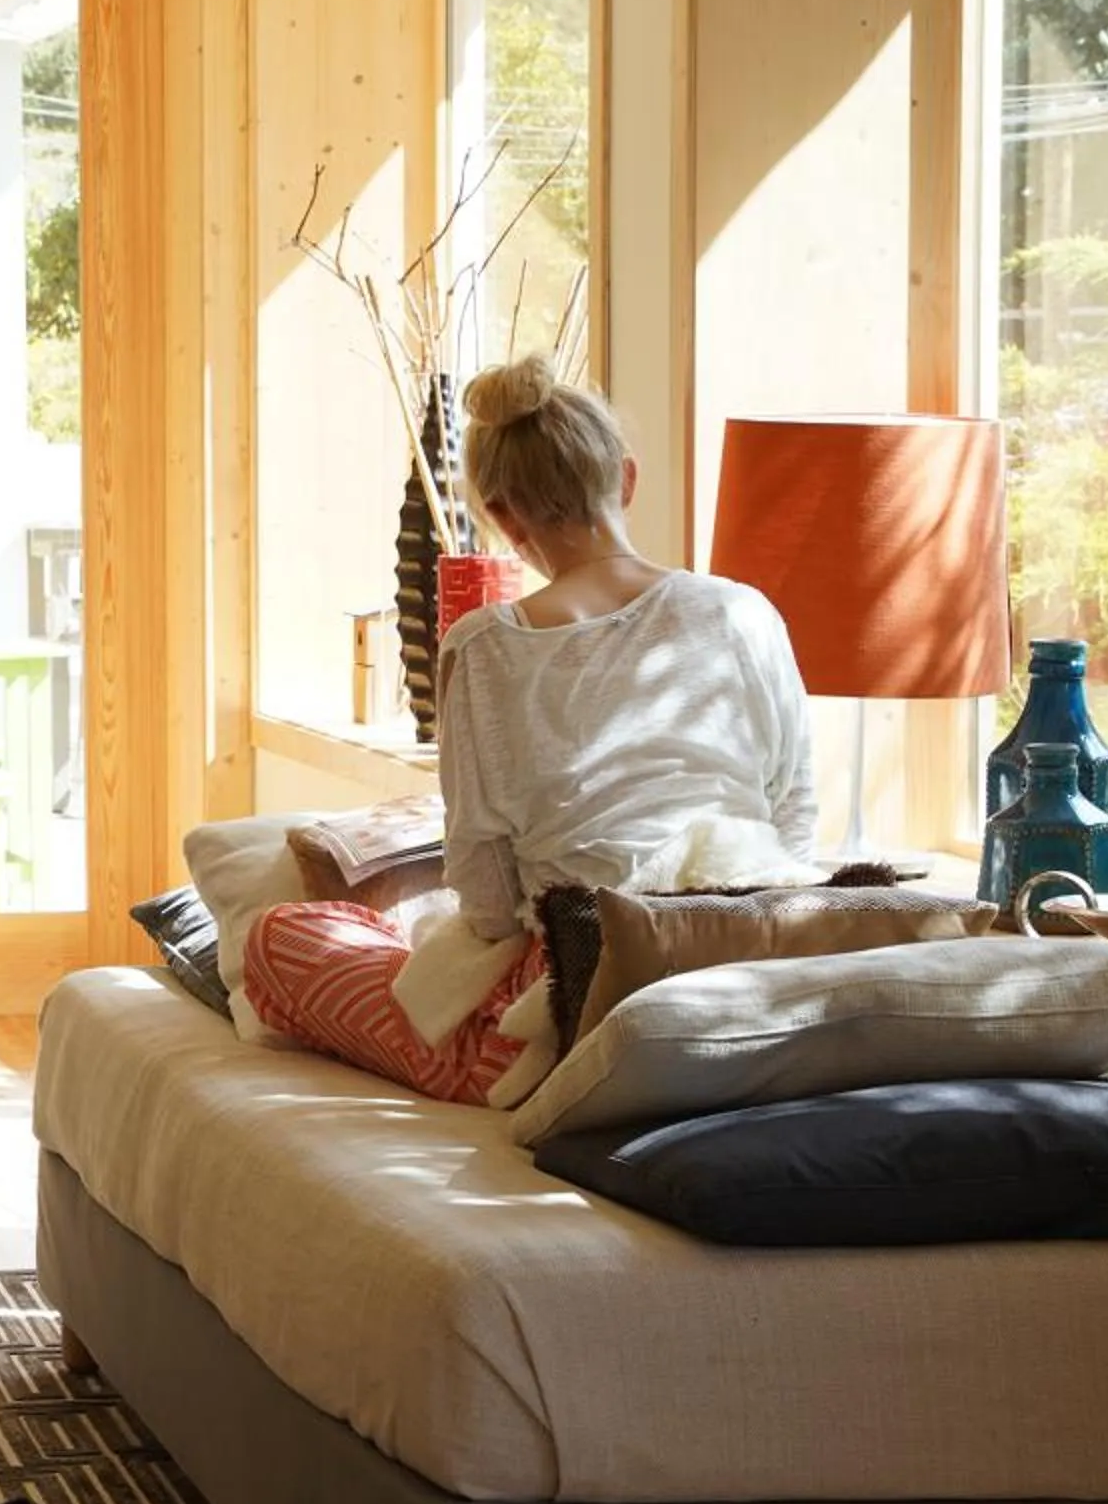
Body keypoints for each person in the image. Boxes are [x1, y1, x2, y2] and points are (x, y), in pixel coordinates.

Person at [241, 355, 818, 1105]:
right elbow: (795, 815)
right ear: (627, 478)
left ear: (504, 518)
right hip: (736, 963)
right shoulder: (742, 609)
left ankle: (490, 1049)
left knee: (279, 936)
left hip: (568, 997)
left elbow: (483, 890)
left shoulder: (486, 643)